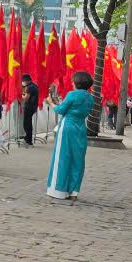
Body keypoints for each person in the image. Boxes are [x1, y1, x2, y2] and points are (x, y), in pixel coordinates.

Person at [46, 71, 96, 200]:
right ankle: (74, 192)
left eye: (73, 81)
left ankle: (58, 189)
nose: (72, 82)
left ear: (77, 82)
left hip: (67, 127)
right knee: (78, 160)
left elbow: (60, 110)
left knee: (62, 158)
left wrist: (50, 102)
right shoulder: (91, 98)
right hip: (80, 129)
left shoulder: (72, 94)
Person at [21, 73, 40, 146]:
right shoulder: (34, 85)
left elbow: (26, 98)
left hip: (29, 107)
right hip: (33, 107)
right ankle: (28, 139)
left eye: (24, 81)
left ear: (27, 81)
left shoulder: (29, 87)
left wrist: (21, 95)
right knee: (28, 123)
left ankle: (28, 140)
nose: (23, 82)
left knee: (26, 124)